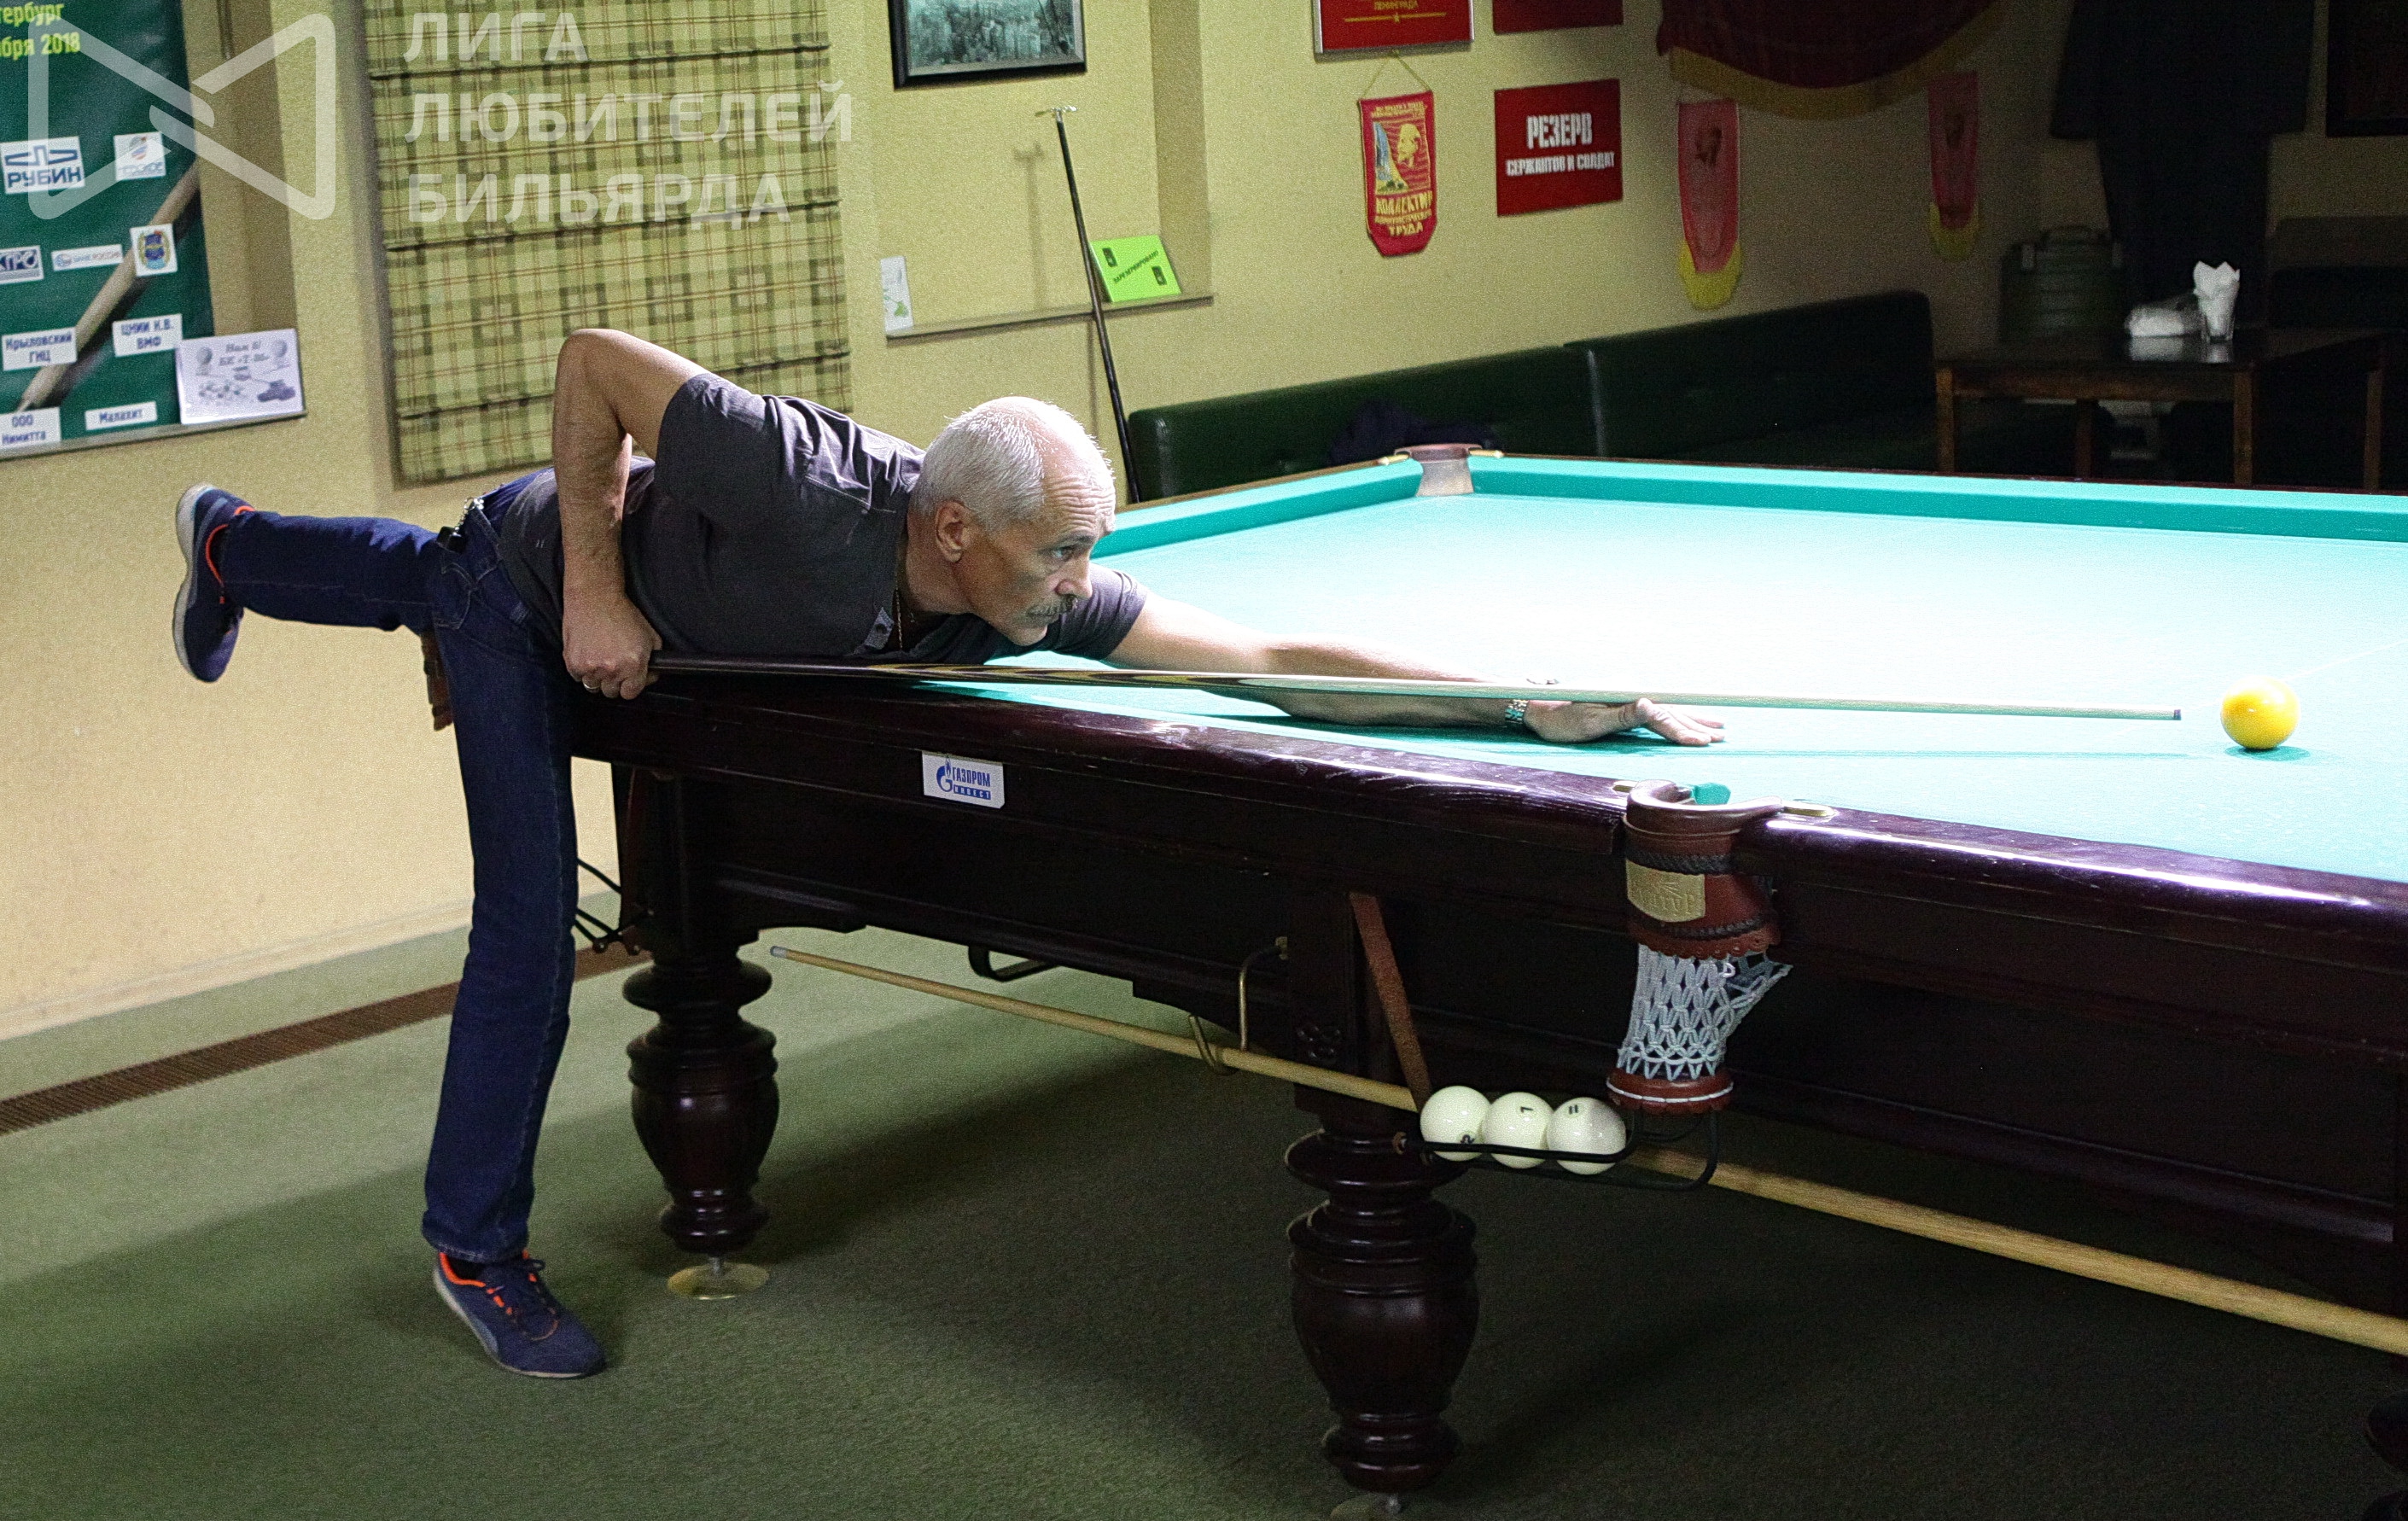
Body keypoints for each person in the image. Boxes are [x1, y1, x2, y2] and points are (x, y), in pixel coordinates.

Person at [168, 329, 1722, 1379]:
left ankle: (230, 541)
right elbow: (593, 363)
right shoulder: (805, 479)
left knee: (401, 571)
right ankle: (474, 1249)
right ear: (958, 529)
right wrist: (592, 589)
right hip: (528, 581)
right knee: (524, 912)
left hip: (637, 582)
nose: (1081, 582)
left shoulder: (1022, 585)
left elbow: (1251, 657)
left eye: (1087, 549)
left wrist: (1514, 701)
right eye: (1061, 552)